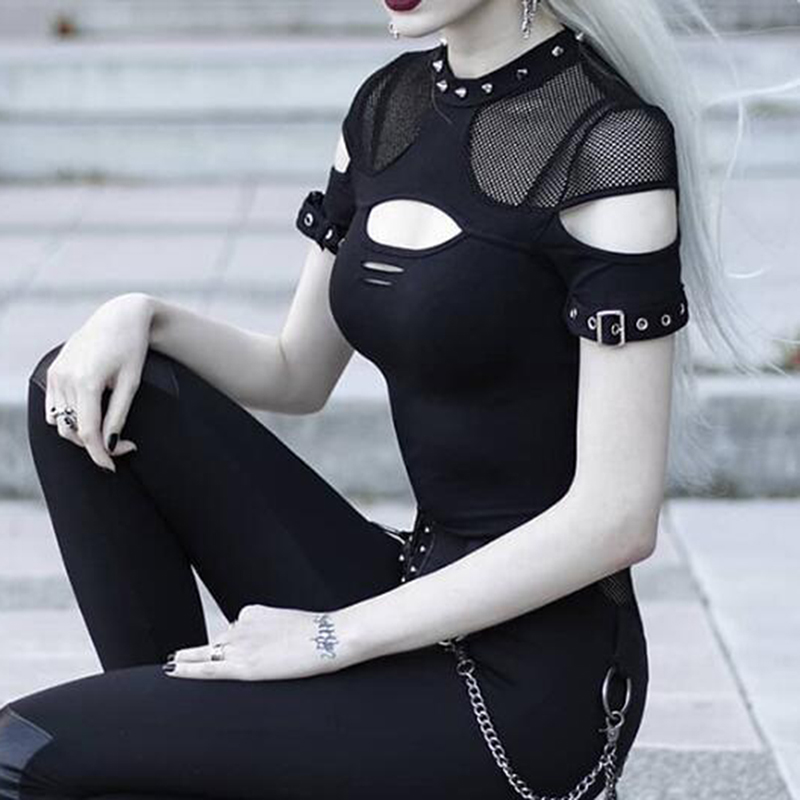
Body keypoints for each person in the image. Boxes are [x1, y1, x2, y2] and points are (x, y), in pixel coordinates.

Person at [0, 0, 759, 798]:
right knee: (79, 388)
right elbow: (294, 372)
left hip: (528, 690)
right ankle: (160, 751)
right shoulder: (387, 107)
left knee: (23, 752)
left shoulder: (607, 142)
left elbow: (618, 519)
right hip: (408, 587)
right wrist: (139, 314)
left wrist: (331, 637)